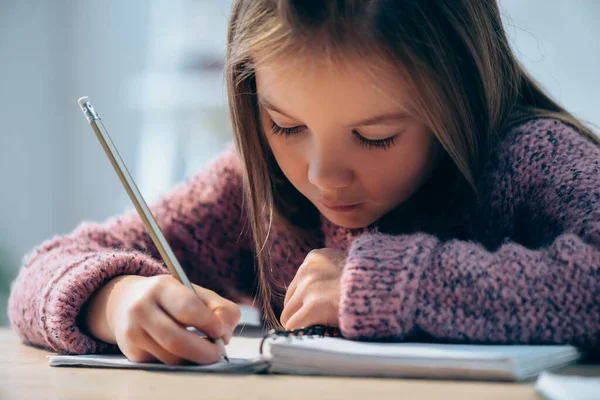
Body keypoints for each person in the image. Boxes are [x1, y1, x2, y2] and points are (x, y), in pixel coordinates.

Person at [8, 0, 600, 365]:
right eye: (285, 125)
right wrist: (115, 301)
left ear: (463, 95)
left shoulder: (531, 157)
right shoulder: (255, 190)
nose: (321, 175)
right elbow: (44, 271)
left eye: (375, 136)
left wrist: (386, 286)